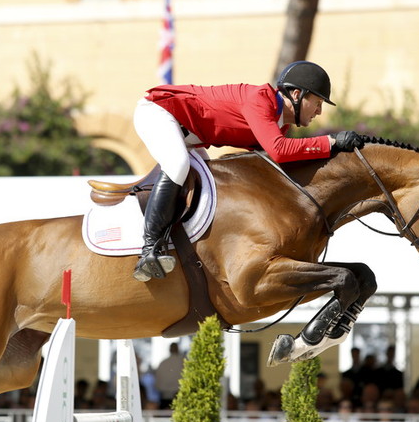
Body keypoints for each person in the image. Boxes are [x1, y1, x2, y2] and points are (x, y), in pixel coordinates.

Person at [131, 60, 364, 281]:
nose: (319, 112)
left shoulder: (278, 121)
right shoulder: (260, 101)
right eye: (318, 103)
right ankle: (149, 249)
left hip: (190, 135)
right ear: (296, 95)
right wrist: (331, 142)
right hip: (158, 113)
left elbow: (278, 162)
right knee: (177, 165)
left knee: (208, 185)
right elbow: (280, 151)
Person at [155, 342, 186, 408]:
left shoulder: (163, 363)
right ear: (178, 349)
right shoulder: (183, 362)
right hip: (179, 396)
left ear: (169, 350)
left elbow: (157, 383)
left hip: (165, 398)